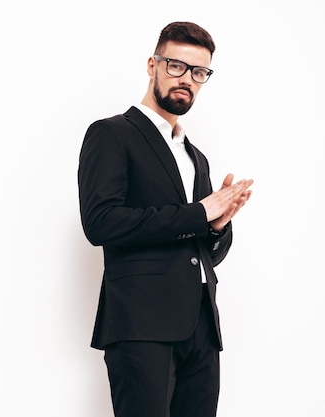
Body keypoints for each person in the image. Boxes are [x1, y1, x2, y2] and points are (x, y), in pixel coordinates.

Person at [77, 22, 253, 417]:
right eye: (176, 66)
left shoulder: (196, 156)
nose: (187, 80)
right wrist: (199, 213)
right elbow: (100, 222)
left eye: (198, 73)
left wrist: (217, 227)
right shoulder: (111, 134)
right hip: (141, 325)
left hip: (202, 327)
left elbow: (202, 250)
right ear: (152, 65)